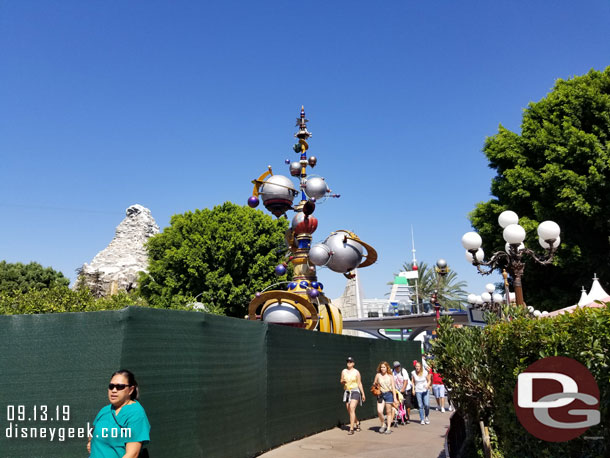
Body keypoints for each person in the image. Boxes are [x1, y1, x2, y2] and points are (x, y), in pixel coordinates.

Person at [87, 370, 151, 458]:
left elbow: (132, 455)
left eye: (120, 387)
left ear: (131, 390)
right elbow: (93, 431)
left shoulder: (136, 414)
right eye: (111, 386)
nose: (114, 390)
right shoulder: (104, 410)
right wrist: (91, 442)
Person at [340, 356, 366, 435]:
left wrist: (363, 394)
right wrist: (342, 381)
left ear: (353, 363)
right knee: (349, 409)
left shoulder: (356, 372)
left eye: (350, 362)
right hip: (347, 392)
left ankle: (351, 429)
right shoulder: (344, 371)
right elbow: (341, 380)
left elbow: (359, 383)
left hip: (355, 391)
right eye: (348, 361)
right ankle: (357, 422)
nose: (349, 363)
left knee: (352, 408)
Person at [374, 361, 398, 434]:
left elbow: (393, 388)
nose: (382, 368)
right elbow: (374, 383)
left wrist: (395, 398)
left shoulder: (390, 376)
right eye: (381, 367)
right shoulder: (378, 375)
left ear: (387, 367)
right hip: (381, 394)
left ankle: (388, 428)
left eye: (384, 367)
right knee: (379, 411)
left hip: (389, 394)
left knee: (388, 412)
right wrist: (376, 386)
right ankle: (383, 424)